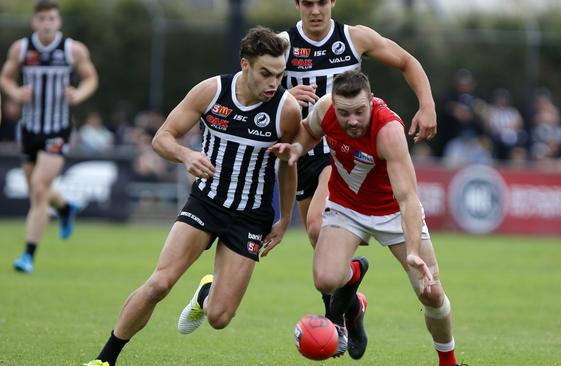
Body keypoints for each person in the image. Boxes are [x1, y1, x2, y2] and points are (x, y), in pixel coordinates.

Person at [84, 26, 301, 366]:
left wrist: (285, 218)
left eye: (280, 74)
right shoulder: (211, 92)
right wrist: (186, 156)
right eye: (266, 74)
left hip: (250, 216)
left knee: (219, 318)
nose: (274, 83)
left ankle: (206, 293)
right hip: (205, 203)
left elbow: (289, 166)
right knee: (159, 284)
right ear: (245, 65)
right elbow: (162, 138)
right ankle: (104, 359)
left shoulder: (287, 111)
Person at [270, 70, 461, 365]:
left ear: (371, 101)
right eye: (345, 113)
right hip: (346, 207)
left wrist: (411, 251)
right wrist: (296, 148)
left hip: (393, 212)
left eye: (360, 111)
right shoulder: (325, 109)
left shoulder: (389, 131)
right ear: (334, 103)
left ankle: (447, 361)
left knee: (432, 294)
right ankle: (354, 288)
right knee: (325, 280)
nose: (353, 120)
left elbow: (408, 199)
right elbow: (308, 130)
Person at [280, 0, 438, 330]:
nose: (315, 10)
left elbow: (407, 61)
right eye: (307, 3)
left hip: (342, 151)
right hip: (306, 147)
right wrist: (283, 96)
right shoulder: (282, 45)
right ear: (297, 4)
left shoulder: (354, 38)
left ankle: (333, 324)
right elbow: (252, 88)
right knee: (320, 253)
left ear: (332, 2)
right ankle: (350, 304)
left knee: (313, 225)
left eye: (322, 2)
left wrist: (427, 104)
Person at [0, 0, 98, 273]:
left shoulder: (72, 49)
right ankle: (66, 207)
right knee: (35, 188)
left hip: (58, 129)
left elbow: (91, 78)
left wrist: (78, 94)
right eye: (42, 19)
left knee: (40, 190)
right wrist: (15, 92)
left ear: (59, 22)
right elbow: (5, 77)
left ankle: (28, 255)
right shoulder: (21, 49)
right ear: (34, 22)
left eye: (51, 19)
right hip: (29, 129)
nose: (46, 23)